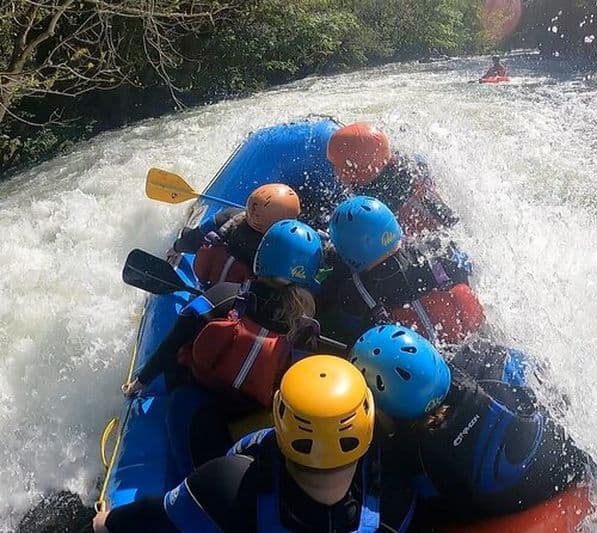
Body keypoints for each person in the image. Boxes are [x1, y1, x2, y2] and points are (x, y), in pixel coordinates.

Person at [93, 355, 417, 532]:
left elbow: (154, 517)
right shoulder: (397, 492)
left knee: (184, 403)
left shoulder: (224, 483)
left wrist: (106, 522)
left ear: (280, 416)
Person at [123, 220, 324, 474]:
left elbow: (175, 339)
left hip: (199, 397)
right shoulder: (306, 326)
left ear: (261, 257)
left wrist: (140, 382)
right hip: (252, 409)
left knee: (183, 402)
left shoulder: (226, 294)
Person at [349, 325, 597, 527]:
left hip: (522, 507)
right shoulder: (490, 359)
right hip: (575, 468)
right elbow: (556, 391)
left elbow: (435, 514)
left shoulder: (416, 459)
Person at [317, 196, 482, 347]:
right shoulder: (436, 250)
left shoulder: (355, 294)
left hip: (418, 368)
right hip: (475, 341)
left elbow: (342, 335)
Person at [326, 123, 458, 235]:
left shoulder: (392, 196)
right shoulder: (393, 164)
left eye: (339, 166)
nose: (335, 171)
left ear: (358, 169)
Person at [167, 183, 301, 285]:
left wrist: (177, 247)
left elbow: (193, 241)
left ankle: (184, 232)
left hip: (210, 279)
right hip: (239, 297)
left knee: (191, 234)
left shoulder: (229, 215)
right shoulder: (279, 247)